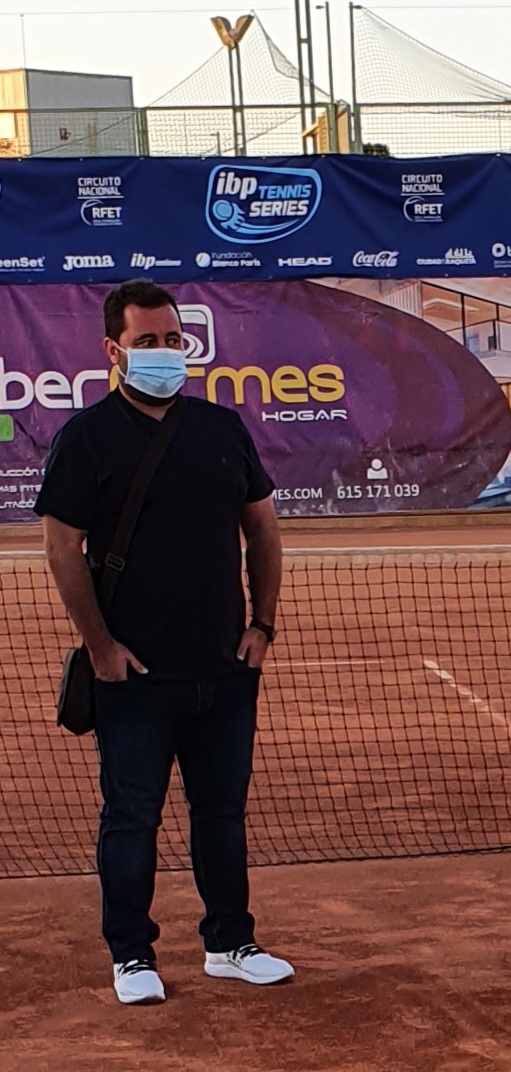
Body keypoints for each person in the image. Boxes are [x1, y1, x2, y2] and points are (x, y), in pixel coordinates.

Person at [36, 280, 294, 1006]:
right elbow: (61, 547)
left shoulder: (221, 429)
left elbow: (263, 531)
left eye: (173, 340)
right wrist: (100, 647)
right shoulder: (86, 438)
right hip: (133, 678)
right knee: (131, 818)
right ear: (113, 351)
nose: (164, 352)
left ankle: (230, 942)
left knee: (222, 814)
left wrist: (261, 626)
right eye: (147, 342)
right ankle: (130, 955)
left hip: (223, 668)